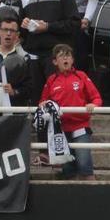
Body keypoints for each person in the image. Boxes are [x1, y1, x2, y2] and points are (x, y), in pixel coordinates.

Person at [39, 44, 101, 180]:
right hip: (60, 130)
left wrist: (93, 104)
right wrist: (43, 104)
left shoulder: (81, 76)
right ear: (55, 61)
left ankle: (94, 195)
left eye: (68, 55)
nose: (65, 58)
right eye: (61, 55)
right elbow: (43, 101)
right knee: (67, 169)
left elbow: (97, 97)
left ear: (73, 60)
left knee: (84, 163)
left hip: (81, 127)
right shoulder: (51, 80)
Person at [21, 0, 80, 93]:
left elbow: (74, 23)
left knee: (58, 97)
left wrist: (48, 27)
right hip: (33, 54)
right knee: (37, 99)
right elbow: (20, 25)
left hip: (55, 56)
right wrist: (23, 25)